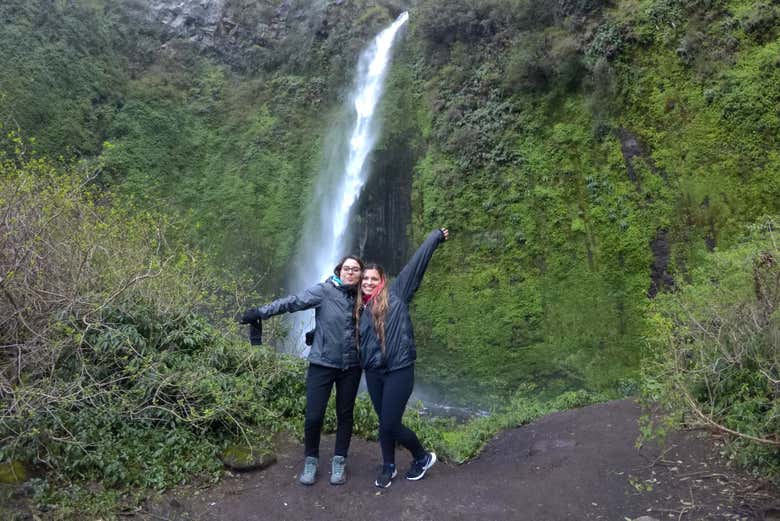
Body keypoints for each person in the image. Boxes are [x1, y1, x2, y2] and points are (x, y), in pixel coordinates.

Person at [240, 255, 364, 486]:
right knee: (314, 415)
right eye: (346, 268)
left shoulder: (364, 297)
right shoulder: (324, 291)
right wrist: (260, 312)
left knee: (345, 415)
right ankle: (311, 459)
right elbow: (293, 302)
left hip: (352, 366)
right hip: (322, 363)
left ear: (360, 274)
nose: (350, 272)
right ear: (339, 270)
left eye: (355, 269)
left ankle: (339, 461)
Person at [357, 228, 449, 488]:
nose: (368, 283)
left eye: (373, 279)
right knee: (386, 423)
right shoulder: (358, 307)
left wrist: (434, 238)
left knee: (389, 424)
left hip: (399, 369)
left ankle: (421, 457)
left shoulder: (396, 294)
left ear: (382, 280)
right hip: (374, 371)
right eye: (365, 279)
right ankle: (388, 466)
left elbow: (415, 266)